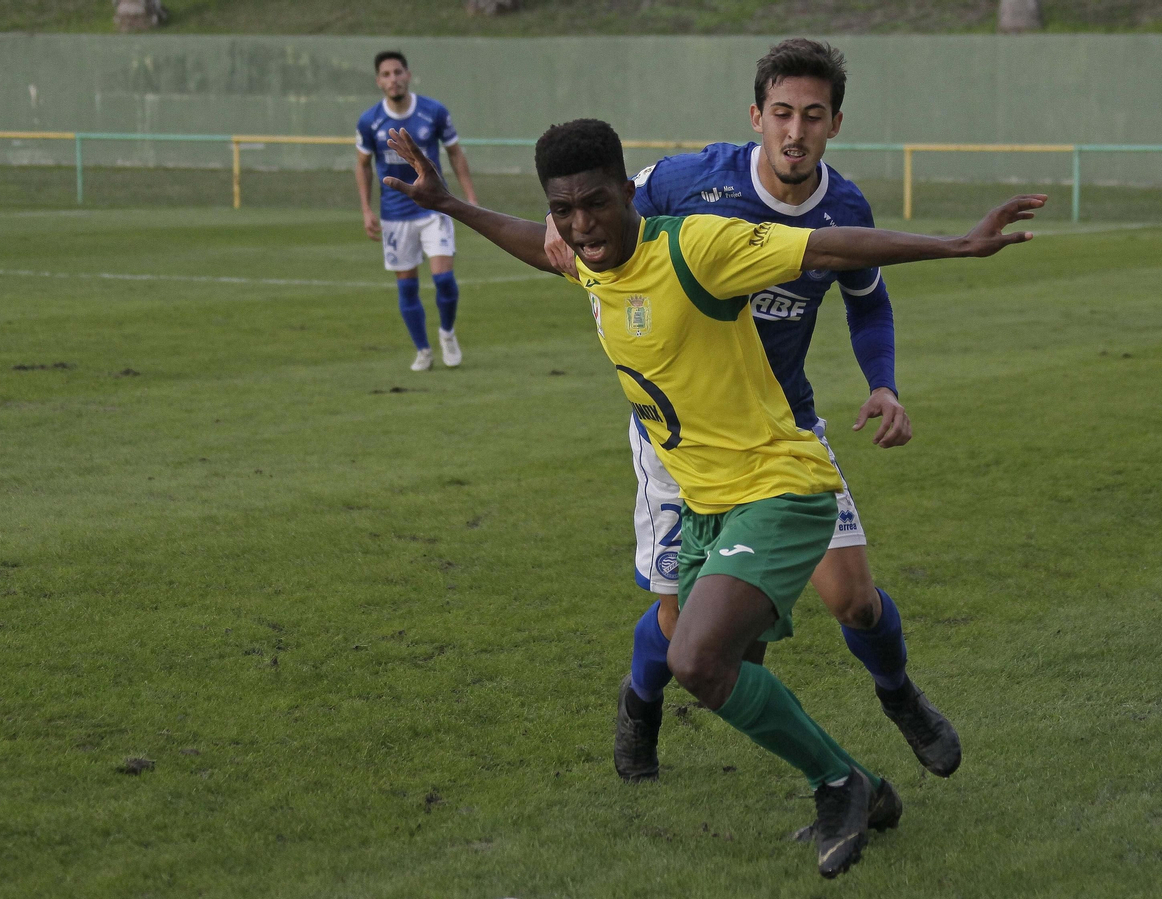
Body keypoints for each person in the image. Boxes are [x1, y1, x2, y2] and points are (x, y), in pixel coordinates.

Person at [381, 117, 1043, 877]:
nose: (579, 225)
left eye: (594, 204)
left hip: (780, 487)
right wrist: (451, 204)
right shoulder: (588, 257)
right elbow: (540, 246)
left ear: (627, 192)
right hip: (706, 504)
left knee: (699, 658)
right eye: (563, 211)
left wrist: (958, 244)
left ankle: (843, 783)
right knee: (715, 659)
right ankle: (868, 791)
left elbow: (826, 248)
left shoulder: (695, 246)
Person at [542, 39, 958, 787]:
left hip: (782, 433)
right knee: (681, 625)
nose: (795, 132)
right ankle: (640, 703)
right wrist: (559, 226)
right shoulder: (691, 180)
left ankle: (900, 696)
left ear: (835, 123)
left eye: (812, 115)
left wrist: (884, 383)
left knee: (855, 600)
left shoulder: (845, 208)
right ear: (756, 116)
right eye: (781, 114)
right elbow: (601, 204)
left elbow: (868, 302)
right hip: (682, 442)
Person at [355, 49, 478, 372]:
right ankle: (423, 349)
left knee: (444, 279)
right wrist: (367, 209)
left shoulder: (433, 111)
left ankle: (447, 332)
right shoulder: (370, 121)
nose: (393, 79)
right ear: (379, 81)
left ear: (408, 75)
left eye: (398, 72)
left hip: (434, 207)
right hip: (395, 215)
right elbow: (363, 165)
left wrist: (470, 198)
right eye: (386, 74)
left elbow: (455, 154)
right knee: (407, 286)